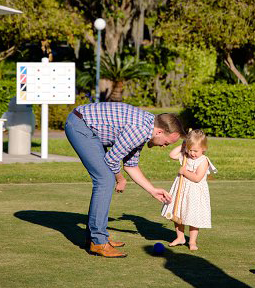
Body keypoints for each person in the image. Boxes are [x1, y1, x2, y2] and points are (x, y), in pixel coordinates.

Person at [64, 101, 184, 258]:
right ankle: (98, 242)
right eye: (167, 143)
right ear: (160, 132)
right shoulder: (140, 130)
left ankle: (95, 238)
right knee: (105, 180)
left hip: (86, 124)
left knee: (106, 178)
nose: (164, 146)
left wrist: (153, 190)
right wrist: (120, 179)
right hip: (80, 125)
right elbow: (111, 159)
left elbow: (131, 165)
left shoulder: (147, 128)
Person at [161, 129, 216, 251]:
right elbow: (172, 155)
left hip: (194, 193)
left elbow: (197, 178)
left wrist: (184, 171)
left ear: (204, 148)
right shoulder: (186, 155)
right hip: (181, 190)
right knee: (178, 213)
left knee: (192, 216)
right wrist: (183, 144)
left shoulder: (203, 161)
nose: (192, 153)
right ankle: (180, 237)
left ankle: (192, 241)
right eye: (190, 149)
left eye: (195, 151)